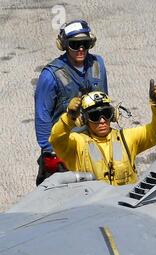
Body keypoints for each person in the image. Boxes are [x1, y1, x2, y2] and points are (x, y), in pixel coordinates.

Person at [49, 81, 156, 186]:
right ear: (84, 119)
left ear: (113, 115)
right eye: (95, 116)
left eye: (106, 114)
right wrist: (69, 118)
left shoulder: (126, 138)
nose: (102, 120)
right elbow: (56, 139)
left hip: (124, 205)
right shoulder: (78, 143)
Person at [35, 19, 108, 185]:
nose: (81, 49)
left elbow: (104, 100)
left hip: (93, 144)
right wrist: (51, 151)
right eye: (75, 44)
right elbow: (42, 115)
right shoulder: (50, 75)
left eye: (85, 43)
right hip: (65, 148)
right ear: (65, 45)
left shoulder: (98, 64)